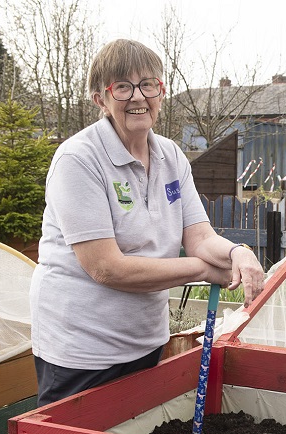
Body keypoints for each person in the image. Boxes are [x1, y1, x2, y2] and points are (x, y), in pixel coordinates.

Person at [30, 39, 264, 407]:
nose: (138, 96)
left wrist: (238, 253)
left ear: (161, 92)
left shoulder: (171, 156)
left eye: (148, 84)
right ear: (100, 99)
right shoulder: (78, 160)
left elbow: (200, 236)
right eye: (122, 86)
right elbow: (106, 268)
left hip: (144, 339)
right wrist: (205, 271)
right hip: (83, 348)